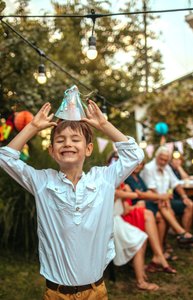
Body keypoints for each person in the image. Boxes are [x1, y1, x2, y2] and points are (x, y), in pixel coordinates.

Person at [0, 100, 144, 300]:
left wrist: (103, 125)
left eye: (75, 139)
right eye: (60, 140)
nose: (67, 143)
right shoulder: (42, 181)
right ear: (51, 150)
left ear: (89, 149)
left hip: (96, 291)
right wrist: (33, 126)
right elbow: (5, 157)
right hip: (56, 293)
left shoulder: (104, 179)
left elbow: (135, 155)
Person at [126, 162, 193, 256]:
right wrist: (161, 197)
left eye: (141, 164)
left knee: (162, 211)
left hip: (146, 201)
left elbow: (147, 191)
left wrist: (158, 197)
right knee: (162, 207)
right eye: (137, 164)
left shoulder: (138, 177)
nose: (138, 166)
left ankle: (163, 247)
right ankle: (179, 234)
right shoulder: (128, 177)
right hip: (137, 204)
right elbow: (139, 194)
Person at [140, 146, 193, 233]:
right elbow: (151, 189)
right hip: (154, 200)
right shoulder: (148, 168)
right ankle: (182, 234)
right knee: (167, 210)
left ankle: (184, 237)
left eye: (166, 160)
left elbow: (176, 184)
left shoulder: (167, 167)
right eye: (161, 159)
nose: (163, 162)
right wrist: (164, 198)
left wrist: (184, 197)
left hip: (166, 199)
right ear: (156, 157)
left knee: (190, 205)